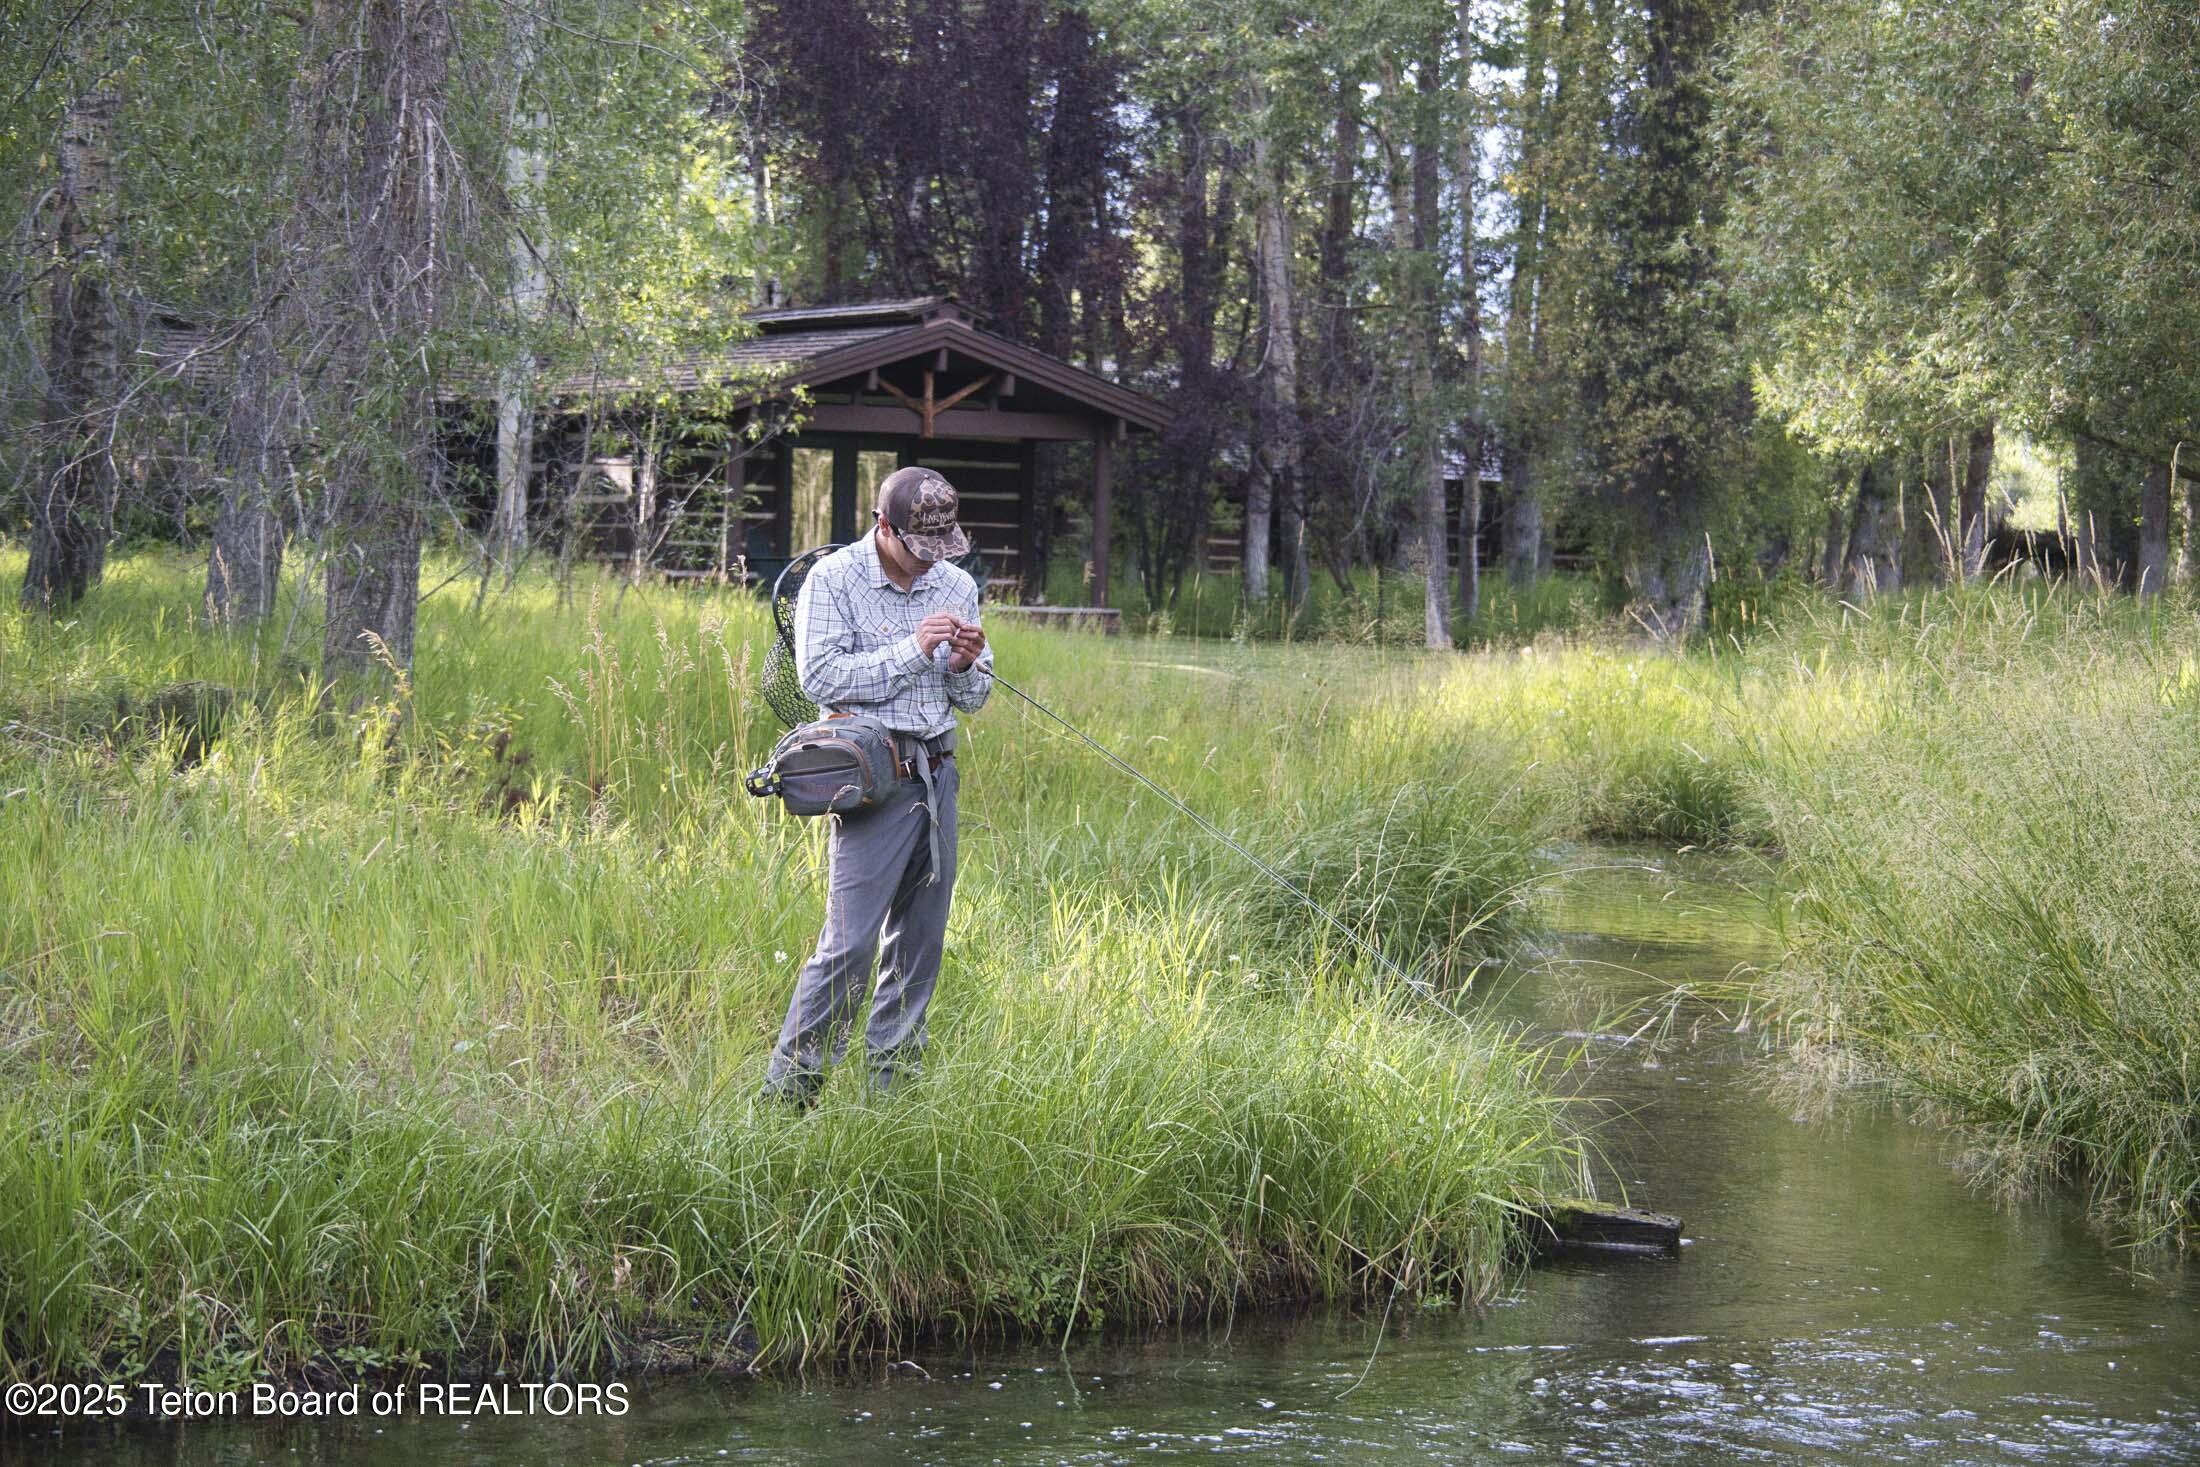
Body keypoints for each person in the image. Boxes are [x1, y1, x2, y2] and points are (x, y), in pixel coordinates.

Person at [760, 466, 993, 1105]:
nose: (930, 565)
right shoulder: (832, 582)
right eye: (919, 549)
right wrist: (915, 650)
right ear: (883, 526)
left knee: (920, 944)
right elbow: (821, 681)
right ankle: (788, 1098)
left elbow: (974, 697)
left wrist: (968, 667)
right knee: (850, 945)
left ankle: (892, 1098)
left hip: (937, 775)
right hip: (869, 780)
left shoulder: (956, 583)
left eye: (940, 550)